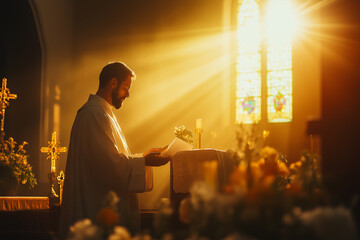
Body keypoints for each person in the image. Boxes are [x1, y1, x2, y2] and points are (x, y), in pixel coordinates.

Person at [58, 62, 169, 239]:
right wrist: (145, 160)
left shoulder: (104, 114)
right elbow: (109, 166)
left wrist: (143, 157)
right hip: (95, 211)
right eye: (126, 88)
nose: (128, 94)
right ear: (113, 83)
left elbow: (114, 159)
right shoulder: (94, 115)